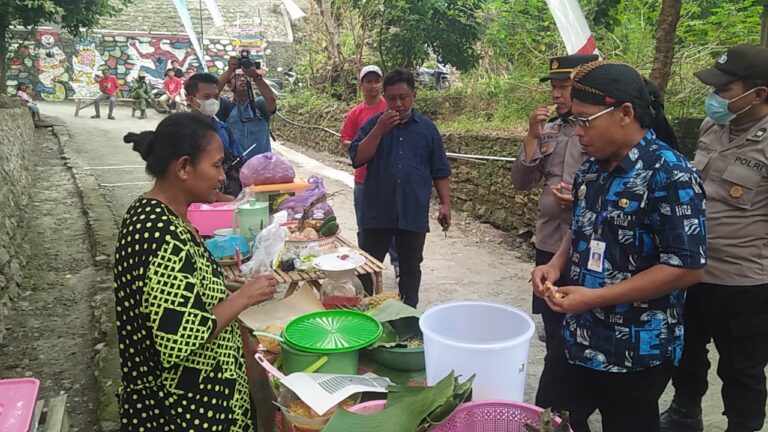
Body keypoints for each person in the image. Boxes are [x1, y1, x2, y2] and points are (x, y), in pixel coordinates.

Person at [531, 61, 707, 432]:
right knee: (547, 422)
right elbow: (583, 226)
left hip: (634, 350)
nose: (578, 131)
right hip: (577, 336)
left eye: (585, 120)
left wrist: (594, 297)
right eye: (574, 120)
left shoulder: (670, 174)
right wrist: (557, 265)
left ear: (625, 113)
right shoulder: (592, 168)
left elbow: (687, 267)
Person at [116, 113, 277, 431]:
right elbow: (181, 335)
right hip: (185, 407)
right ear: (184, 167)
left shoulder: (155, 214)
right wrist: (244, 297)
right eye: (216, 166)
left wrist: (225, 287)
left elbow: (178, 293)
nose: (221, 177)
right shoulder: (159, 233)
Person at [660, 44, 768, 432]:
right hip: (690, 269)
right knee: (686, 350)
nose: (714, 97)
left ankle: (743, 425)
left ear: (759, 94)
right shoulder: (713, 126)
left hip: (743, 281)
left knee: (742, 365)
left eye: (724, 89)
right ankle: (685, 410)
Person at [511, 53, 598, 346]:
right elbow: (521, 182)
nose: (555, 94)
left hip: (587, 244)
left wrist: (579, 199)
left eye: (564, 86)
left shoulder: (600, 131)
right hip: (549, 242)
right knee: (553, 319)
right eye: (553, 87)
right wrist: (532, 137)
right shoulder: (550, 130)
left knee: (585, 325)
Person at [349, 68, 452, 307]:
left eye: (403, 97)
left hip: (412, 211)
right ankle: (365, 318)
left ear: (414, 96)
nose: (398, 104)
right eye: (392, 98)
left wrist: (446, 204)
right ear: (384, 97)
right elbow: (357, 158)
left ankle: (407, 319)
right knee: (367, 267)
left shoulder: (427, 130)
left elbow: (440, 170)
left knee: (410, 267)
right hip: (377, 211)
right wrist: (380, 130)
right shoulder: (374, 124)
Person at [341, 65, 400, 277]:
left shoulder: (392, 108)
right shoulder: (355, 114)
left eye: (377, 81)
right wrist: (363, 145)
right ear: (362, 85)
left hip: (388, 178)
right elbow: (346, 140)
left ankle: (397, 262)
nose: (373, 85)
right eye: (369, 81)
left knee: (394, 222)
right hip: (364, 178)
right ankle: (365, 263)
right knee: (365, 224)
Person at [185, 73, 244, 198]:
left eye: (216, 97)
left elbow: (239, 158)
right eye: (206, 97)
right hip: (193, 199)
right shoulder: (182, 131)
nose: (213, 101)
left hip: (226, 193)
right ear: (191, 100)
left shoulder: (223, 128)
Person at [216, 56, 276, 160]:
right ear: (229, 85)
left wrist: (255, 76)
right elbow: (213, 94)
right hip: (234, 168)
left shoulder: (260, 105)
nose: (242, 79)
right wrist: (229, 71)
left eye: (245, 76)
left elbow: (271, 99)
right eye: (237, 77)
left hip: (261, 167)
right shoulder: (226, 106)